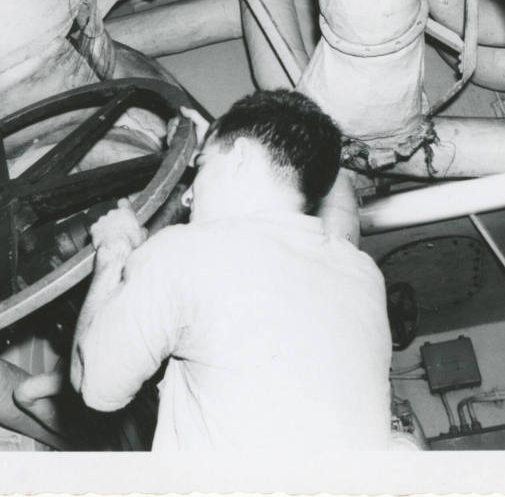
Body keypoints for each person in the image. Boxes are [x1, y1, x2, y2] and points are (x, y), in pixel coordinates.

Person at [22, 89, 393, 450]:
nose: (187, 194)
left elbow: (92, 385)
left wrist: (112, 253)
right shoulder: (361, 272)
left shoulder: (184, 251)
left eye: (200, 168)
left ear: (243, 157)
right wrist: (218, 146)